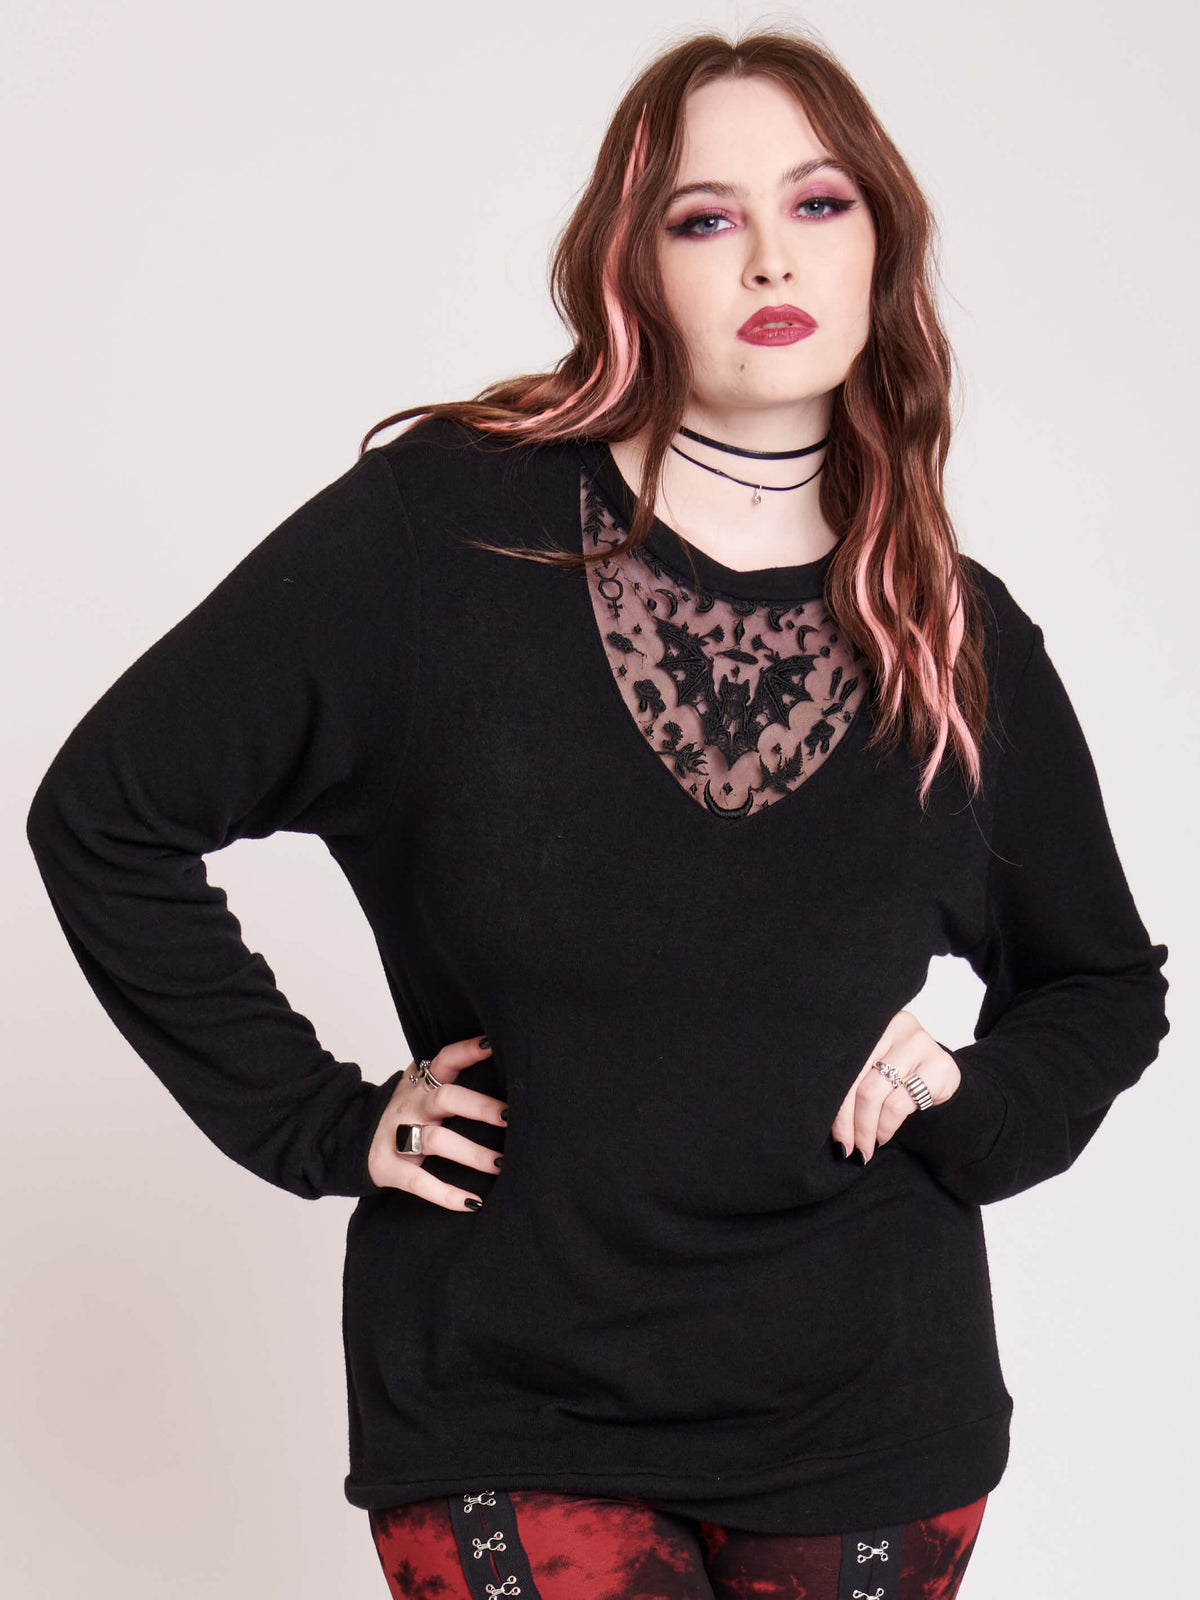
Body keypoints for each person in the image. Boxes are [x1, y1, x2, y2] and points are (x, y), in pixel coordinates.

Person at [25, 26, 1169, 1600]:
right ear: (634, 265)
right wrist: (322, 1122)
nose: (770, 254)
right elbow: (107, 813)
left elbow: (1101, 986)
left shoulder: (947, 628)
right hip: (508, 1396)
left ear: (882, 246)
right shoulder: (445, 536)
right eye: (706, 217)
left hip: (867, 1415)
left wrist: (972, 1100)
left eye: (818, 202)